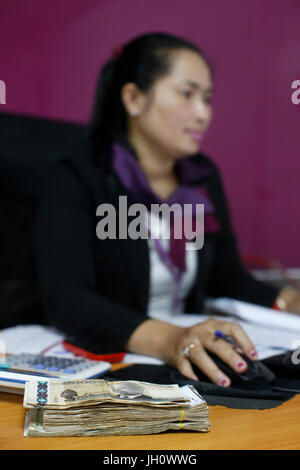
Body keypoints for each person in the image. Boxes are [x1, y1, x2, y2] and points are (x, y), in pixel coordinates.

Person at [35, 32, 300, 388]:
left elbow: (227, 278)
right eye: (187, 94)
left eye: (207, 98)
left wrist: (289, 300)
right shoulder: (80, 177)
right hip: (118, 358)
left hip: (191, 352)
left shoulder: (201, 179)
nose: (203, 114)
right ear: (133, 98)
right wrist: (170, 339)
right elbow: (69, 299)